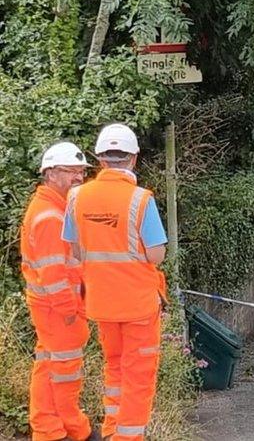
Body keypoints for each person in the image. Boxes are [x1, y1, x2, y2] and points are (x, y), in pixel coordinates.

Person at [62, 124, 168, 441]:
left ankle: (112, 430)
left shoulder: (77, 197)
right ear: (133, 159)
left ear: (99, 160)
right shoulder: (140, 200)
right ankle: (128, 437)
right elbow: (157, 255)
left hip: (101, 303)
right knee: (138, 375)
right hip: (137, 306)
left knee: (115, 367)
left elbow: (76, 248)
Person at [20, 142, 94, 441]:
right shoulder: (51, 217)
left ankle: (48, 429)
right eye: (71, 171)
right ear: (50, 174)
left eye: (81, 172)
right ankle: (73, 429)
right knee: (64, 372)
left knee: (48, 367)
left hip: (52, 307)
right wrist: (69, 311)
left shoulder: (54, 210)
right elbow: (54, 275)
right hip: (58, 309)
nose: (78, 177)